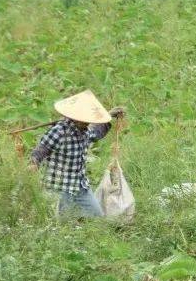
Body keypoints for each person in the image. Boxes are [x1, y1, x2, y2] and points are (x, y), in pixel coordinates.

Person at [30, 90, 126, 218]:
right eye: (84, 120)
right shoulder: (59, 131)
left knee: (96, 215)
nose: (87, 123)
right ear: (75, 117)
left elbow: (96, 132)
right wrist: (34, 163)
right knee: (61, 222)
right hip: (60, 186)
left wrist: (108, 116)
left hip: (80, 185)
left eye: (88, 120)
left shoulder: (84, 131)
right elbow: (42, 149)